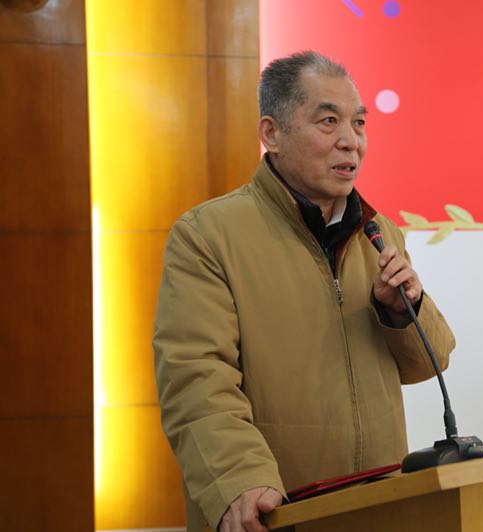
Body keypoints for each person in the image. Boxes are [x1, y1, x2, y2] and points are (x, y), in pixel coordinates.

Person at [153, 50, 456, 532]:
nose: (350, 141)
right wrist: (239, 479)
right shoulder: (208, 235)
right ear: (271, 134)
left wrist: (404, 311)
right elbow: (195, 379)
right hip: (276, 508)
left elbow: (429, 364)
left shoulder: (379, 233)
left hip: (378, 505)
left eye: (359, 123)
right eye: (328, 121)